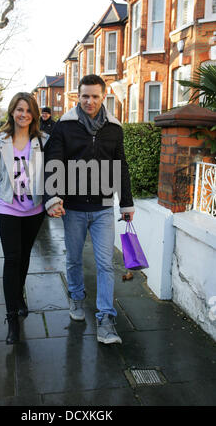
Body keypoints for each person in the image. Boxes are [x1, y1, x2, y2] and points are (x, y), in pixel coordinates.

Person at [44, 74, 135, 345]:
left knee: (105, 264)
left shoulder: (114, 128)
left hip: (104, 207)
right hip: (72, 207)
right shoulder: (65, 126)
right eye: (85, 95)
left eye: (95, 96)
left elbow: (121, 165)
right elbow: (53, 161)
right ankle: (76, 297)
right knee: (73, 259)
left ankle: (105, 318)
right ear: (78, 96)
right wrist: (53, 197)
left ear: (103, 96)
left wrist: (126, 202)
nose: (90, 101)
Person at [0, 92, 48, 345]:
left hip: (34, 210)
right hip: (8, 208)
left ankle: (18, 296)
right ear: (12, 112)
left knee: (25, 256)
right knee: (12, 259)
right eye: (19, 109)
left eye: (28, 110)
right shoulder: (1, 140)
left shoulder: (42, 141)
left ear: (34, 114)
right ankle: (12, 321)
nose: (24, 114)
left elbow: (52, 174)